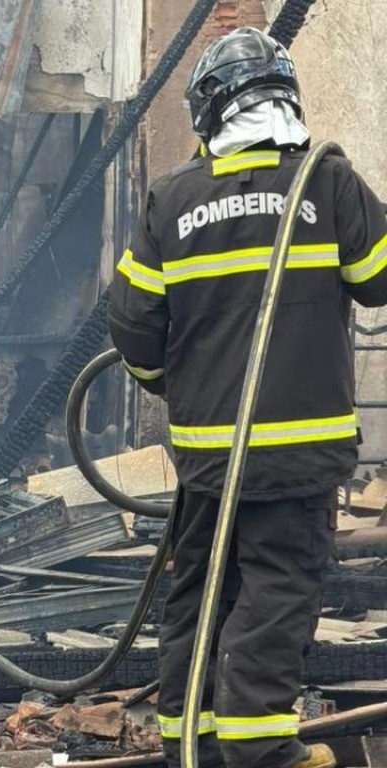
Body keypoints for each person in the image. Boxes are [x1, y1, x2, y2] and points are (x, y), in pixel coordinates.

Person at [109, 27, 387, 768]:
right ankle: (261, 746)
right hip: (299, 454)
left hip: (209, 455)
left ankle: (190, 740)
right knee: (278, 586)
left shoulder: (171, 198)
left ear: (209, 111)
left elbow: (132, 326)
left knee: (201, 590)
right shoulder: (327, 183)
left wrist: (178, 388)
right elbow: (379, 280)